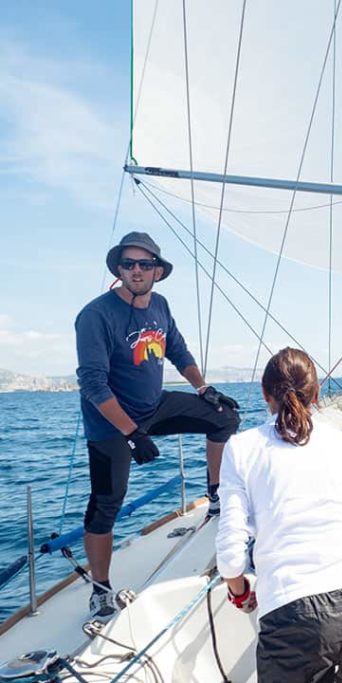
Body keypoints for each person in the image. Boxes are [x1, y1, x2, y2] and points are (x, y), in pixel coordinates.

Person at [76, 232, 240, 621]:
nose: (136, 270)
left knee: (225, 417)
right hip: (110, 422)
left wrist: (203, 388)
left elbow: (178, 351)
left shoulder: (161, 306)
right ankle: (100, 589)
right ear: (118, 269)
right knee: (106, 503)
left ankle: (214, 495)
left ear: (157, 272)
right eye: (129, 264)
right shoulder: (96, 315)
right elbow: (93, 383)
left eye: (144, 264)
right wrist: (133, 434)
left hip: (153, 406)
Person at [216, 348, 342, 683]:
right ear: (316, 394)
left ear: (264, 393)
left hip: (291, 612)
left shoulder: (241, 448)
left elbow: (230, 554)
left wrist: (239, 590)